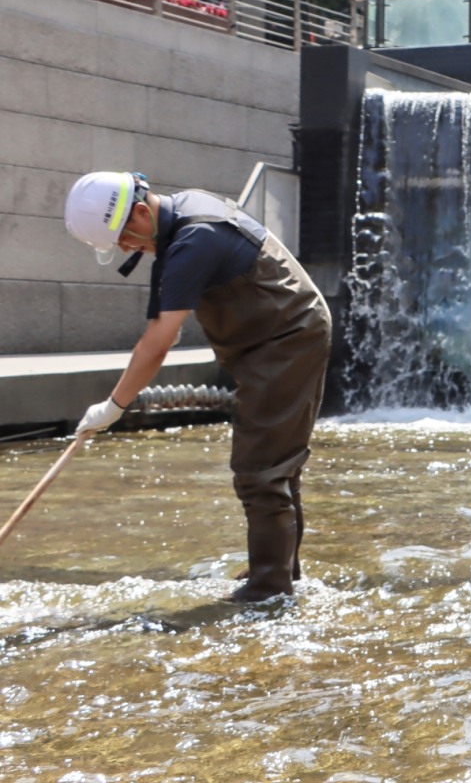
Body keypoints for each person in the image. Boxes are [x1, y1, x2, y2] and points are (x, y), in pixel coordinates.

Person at [63, 171, 332, 602]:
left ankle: (268, 589)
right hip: (274, 338)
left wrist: (115, 404)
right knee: (274, 463)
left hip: (287, 339)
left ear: (139, 212)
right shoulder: (185, 217)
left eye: (124, 239)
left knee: (259, 471)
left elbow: (159, 339)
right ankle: (281, 572)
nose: (128, 249)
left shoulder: (194, 240)